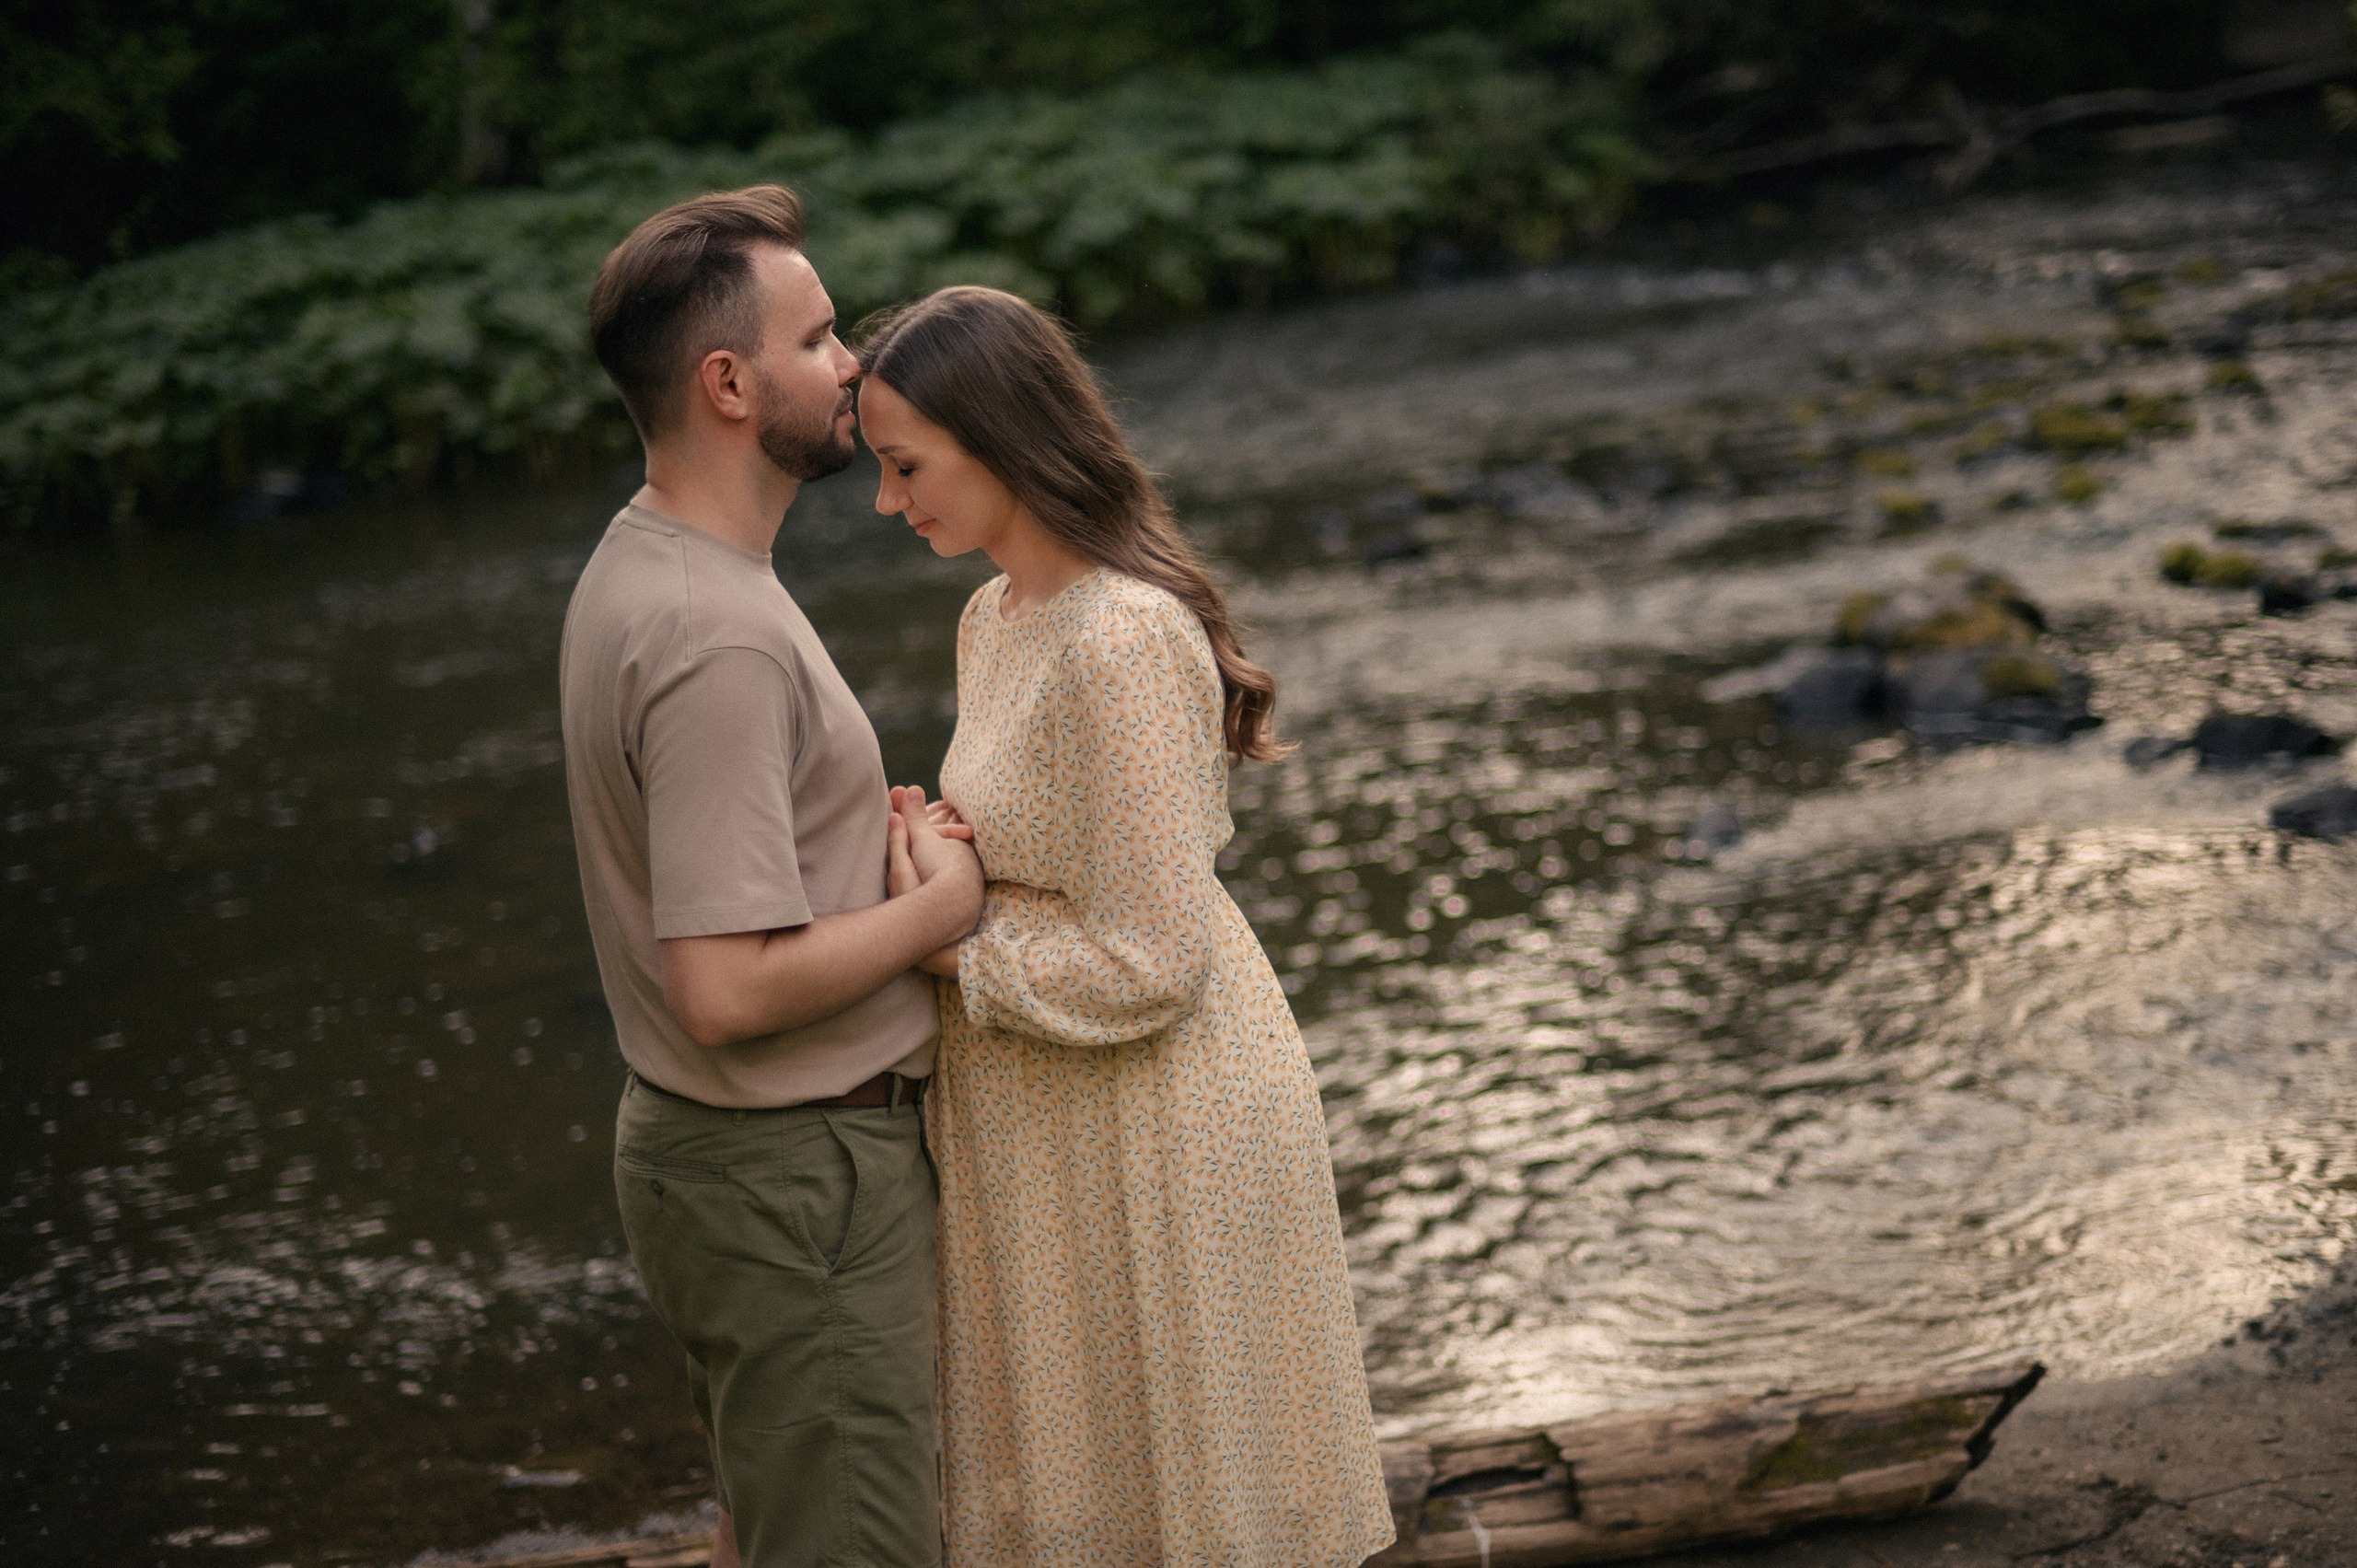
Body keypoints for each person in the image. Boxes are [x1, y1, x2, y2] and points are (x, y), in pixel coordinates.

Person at [857, 286, 1397, 1568]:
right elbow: (1044, 849)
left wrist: (940, 936)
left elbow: (1152, 960)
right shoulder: (991, 619)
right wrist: (942, 852)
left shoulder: (1127, 636)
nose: (889, 503)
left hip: (1160, 1124)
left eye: (905, 467)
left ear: (997, 436)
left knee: (1186, 1513)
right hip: (1049, 1123)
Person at [560, 185, 981, 1568]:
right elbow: (723, 988)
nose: (854, 362)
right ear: (728, 383)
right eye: (819, 340)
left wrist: (863, 847)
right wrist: (933, 911)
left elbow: (728, 877)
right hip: (798, 1181)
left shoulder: (648, 564)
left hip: (731, 1169)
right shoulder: (714, 633)